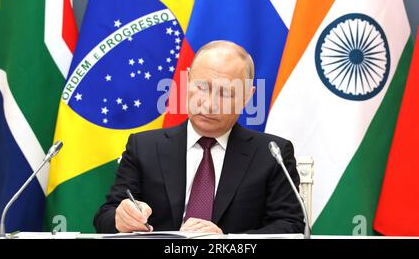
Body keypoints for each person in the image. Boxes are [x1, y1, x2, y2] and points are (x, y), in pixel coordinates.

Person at [93, 40, 304, 234]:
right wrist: (121, 218)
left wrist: (227, 241)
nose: (209, 103)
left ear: (248, 96)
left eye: (225, 93)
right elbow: (105, 217)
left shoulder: (272, 154)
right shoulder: (144, 147)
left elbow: (290, 226)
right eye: (201, 87)